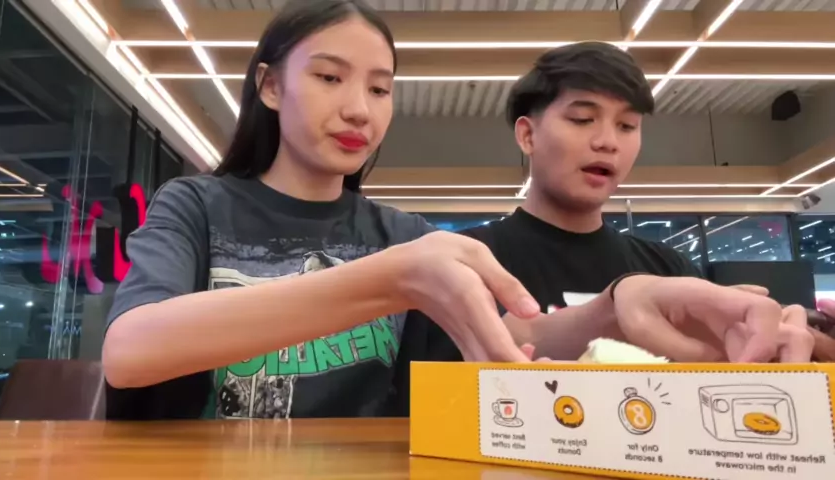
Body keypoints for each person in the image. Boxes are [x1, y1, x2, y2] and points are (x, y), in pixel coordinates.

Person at [103, 1, 811, 421]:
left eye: (380, 89)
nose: (359, 108)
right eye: (329, 77)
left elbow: (507, 337)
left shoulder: (399, 234)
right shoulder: (197, 204)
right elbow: (130, 353)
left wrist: (619, 307)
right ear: (268, 86)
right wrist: (389, 280)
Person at [401, 42, 814, 366]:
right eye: (582, 119)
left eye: (627, 125)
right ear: (527, 136)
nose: (607, 141)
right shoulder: (466, 263)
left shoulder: (669, 270)